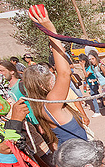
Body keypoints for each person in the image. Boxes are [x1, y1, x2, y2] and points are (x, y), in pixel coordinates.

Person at [24, 8, 88, 147]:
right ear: (42, 86)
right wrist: (51, 30)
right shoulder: (51, 102)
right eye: (52, 76)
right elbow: (64, 73)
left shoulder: (43, 105)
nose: (55, 77)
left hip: (73, 155)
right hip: (75, 158)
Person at [78, 53, 101, 117]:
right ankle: (103, 104)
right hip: (90, 83)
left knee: (93, 96)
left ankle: (97, 111)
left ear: (83, 61)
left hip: (94, 83)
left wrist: (82, 67)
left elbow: (86, 75)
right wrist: (85, 84)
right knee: (97, 94)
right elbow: (86, 77)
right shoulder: (87, 67)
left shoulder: (90, 67)